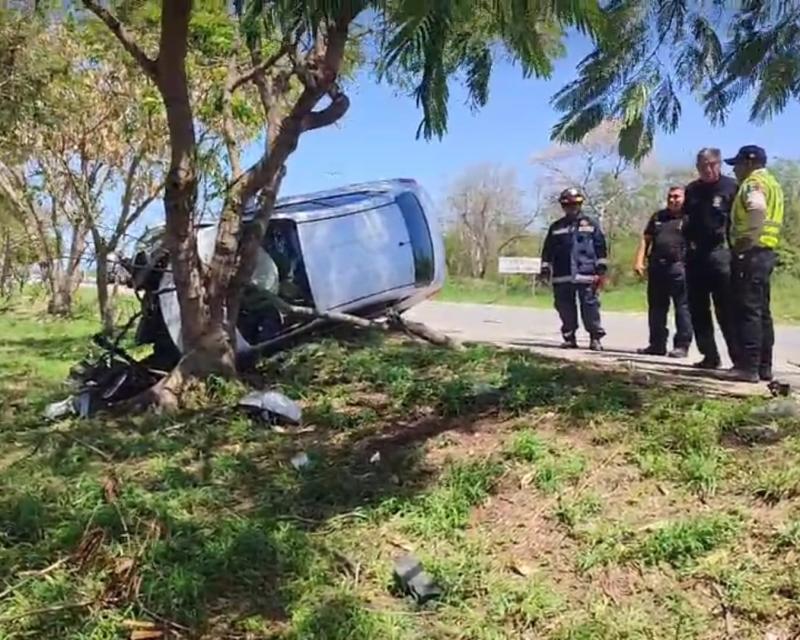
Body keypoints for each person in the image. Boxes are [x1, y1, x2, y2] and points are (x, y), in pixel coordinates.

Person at [721, 145, 784, 383]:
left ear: (748, 163)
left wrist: (746, 241)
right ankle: (764, 366)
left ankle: (748, 367)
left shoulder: (753, 183)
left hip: (751, 254)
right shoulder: (774, 184)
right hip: (766, 253)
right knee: (761, 312)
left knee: (747, 311)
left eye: (736, 164)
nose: (735, 170)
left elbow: (757, 207)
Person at [682, 148, 740, 369]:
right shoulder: (693, 190)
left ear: (719, 163)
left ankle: (738, 359)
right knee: (698, 310)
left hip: (721, 254)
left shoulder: (731, 187)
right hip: (696, 256)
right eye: (702, 165)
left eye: (711, 164)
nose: (707, 169)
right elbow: (686, 221)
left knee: (727, 310)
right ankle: (709, 356)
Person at [540, 187, 608, 351]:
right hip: (562, 275)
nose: (572, 208)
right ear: (563, 206)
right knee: (564, 307)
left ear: (580, 204)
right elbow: (548, 250)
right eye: (568, 205)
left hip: (586, 273)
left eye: (575, 204)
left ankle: (595, 338)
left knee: (590, 306)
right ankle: (569, 338)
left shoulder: (591, 224)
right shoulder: (556, 227)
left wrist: (601, 270)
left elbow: (600, 247)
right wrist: (545, 269)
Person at [633, 186, 692, 358]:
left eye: (677, 197)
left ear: (685, 198)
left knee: (682, 307)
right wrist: (639, 260)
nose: (673, 200)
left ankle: (682, 346)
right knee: (657, 308)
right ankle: (656, 344)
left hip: (680, 267)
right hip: (657, 267)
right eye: (670, 197)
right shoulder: (658, 217)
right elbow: (646, 239)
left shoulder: (690, 217)